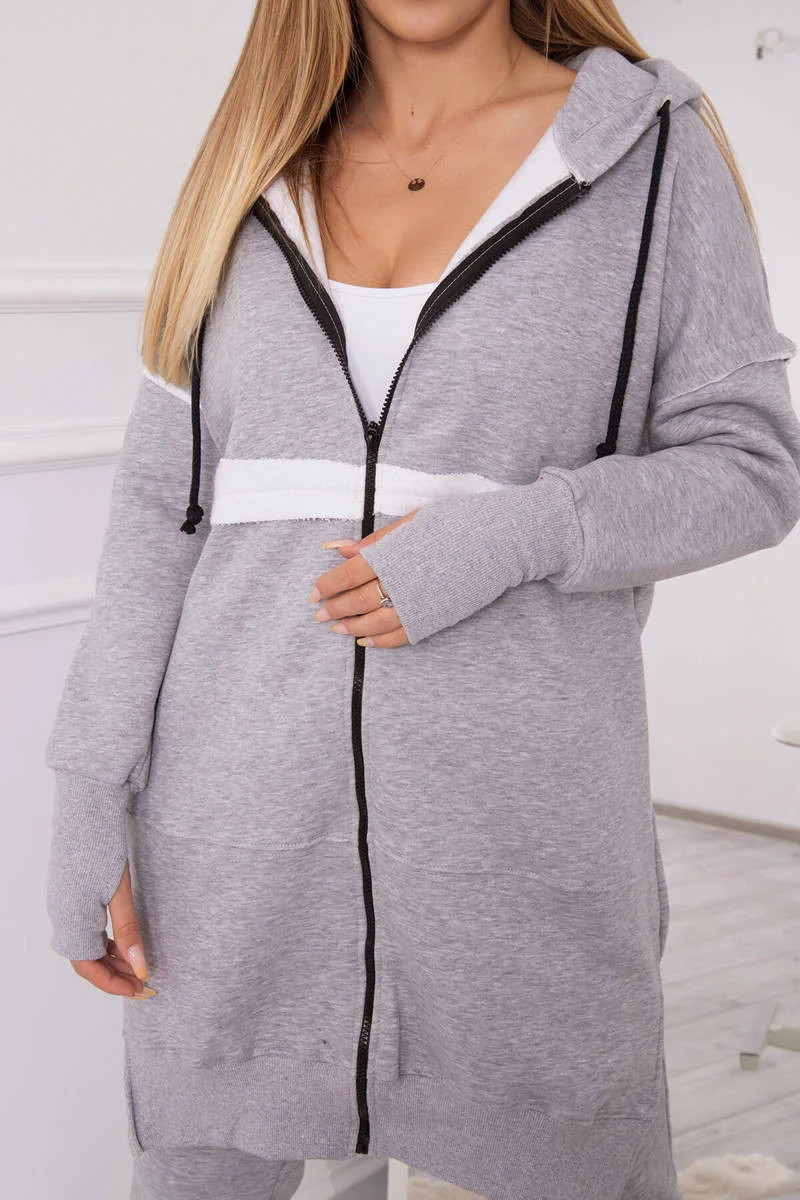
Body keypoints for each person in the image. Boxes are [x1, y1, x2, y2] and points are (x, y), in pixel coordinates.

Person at [45, 2, 800, 1199]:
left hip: (518, 849)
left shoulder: (649, 149)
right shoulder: (252, 163)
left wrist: (512, 534)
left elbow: (749, 468)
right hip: (228, 834)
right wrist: (90, 793)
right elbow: (157, 506)